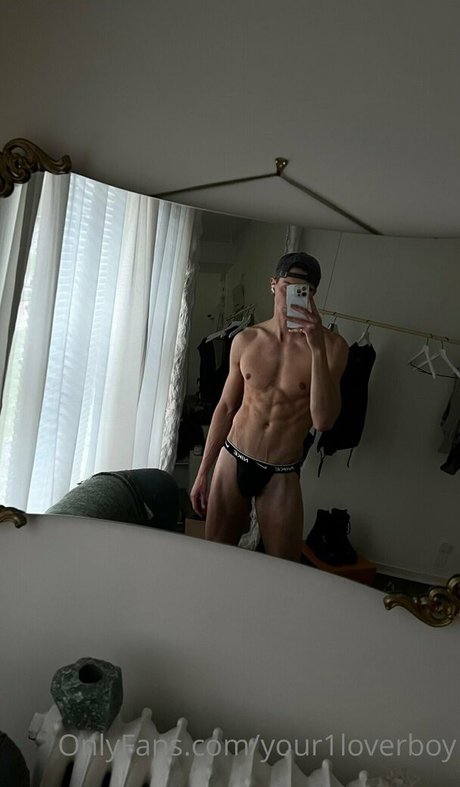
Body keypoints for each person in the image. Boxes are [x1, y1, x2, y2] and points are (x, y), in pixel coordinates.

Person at [190, 252, 349, 562]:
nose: (292, 297)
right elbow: (226, 407)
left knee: (283, 566)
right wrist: (202, 472)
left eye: (304, 291)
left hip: (281, 471)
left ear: (312, 296)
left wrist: (316, 347)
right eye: (287, 287)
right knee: (216, 556)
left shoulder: (332, 347)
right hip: (234, 457)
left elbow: (324, 421)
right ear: (273, 285)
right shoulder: (246, 340)